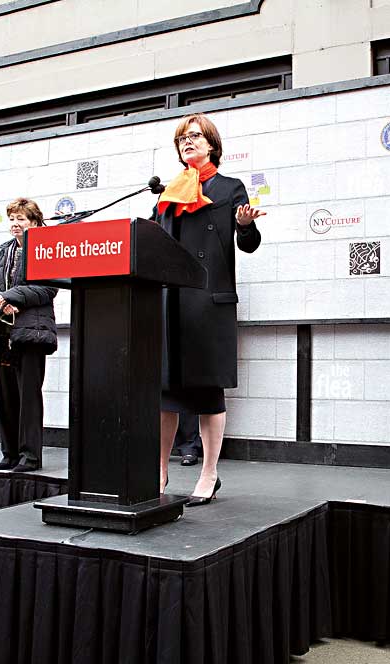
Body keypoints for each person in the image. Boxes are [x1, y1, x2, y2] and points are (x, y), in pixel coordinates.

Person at [154, 113, 263, 506]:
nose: (188, 142)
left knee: (207, 392)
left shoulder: (231, 188)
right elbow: (153, 244)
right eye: (183, 137)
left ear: (212, 144)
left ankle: (209, 471)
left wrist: (246, 226)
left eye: (196, 136)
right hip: (171, 302)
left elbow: (247, 244)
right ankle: (160, 470)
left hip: (208, 303)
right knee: (165, 392)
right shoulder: (167, 194)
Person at [0, 198, 58, 472]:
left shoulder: (46, 249)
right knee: (6, 394)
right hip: (3, 328)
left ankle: (30, 457)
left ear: (35, 222)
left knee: (28, 395)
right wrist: (0, 300)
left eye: (21, 219)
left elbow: (48, 289)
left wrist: (11, 296)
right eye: (12, 218)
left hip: (32, 331)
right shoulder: (3, 252)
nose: (15, 223)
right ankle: (10, 453)